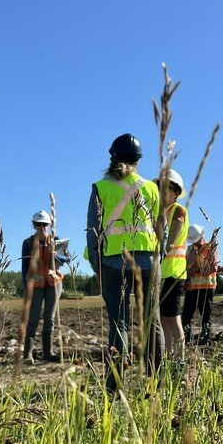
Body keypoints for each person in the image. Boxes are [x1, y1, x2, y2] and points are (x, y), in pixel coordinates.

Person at [86, 133, 164, 393]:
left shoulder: (100, 187)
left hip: (113, 263)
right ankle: (157, 384)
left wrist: (97, 267)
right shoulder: (152, 188)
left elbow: (92, 231)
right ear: (138, 161)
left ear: (112, 158)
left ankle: (115, 386)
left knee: (118, 323)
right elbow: (159, 227)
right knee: (151, 321)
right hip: (148, 262)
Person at [21, 210, 69, 364]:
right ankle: (28, 354)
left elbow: (66, 258)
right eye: (39, 224)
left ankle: (48, 352)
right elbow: (24, 266)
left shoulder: (56, 240)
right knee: (33, 318)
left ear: (49, 225)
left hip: (53, 283)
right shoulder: (27, 243)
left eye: (45, 225)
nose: (42, 227)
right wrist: (26, 286)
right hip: (35, 284)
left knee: (50, 317)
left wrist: (55, 255)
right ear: (34, 226)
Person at [157, 169, 189, 359]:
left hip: (173, 272)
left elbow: (170, 241)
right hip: (163, 273)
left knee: (173, 318)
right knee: (164, 319)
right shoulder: (161, 212)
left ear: (176, 192)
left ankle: (179, 361)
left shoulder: (178, 211)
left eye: (166, 188)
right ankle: (170, 357)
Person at [182, 224, 219, 345]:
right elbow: (186, 266)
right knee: (187, 315)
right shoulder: (189, 249)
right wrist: (187, 278)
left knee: (205, 315)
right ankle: (186, 338)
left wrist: (196, 270)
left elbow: (213, 267)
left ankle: (206, 338)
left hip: (207, 288)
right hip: (192, 287)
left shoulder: (209, 248)